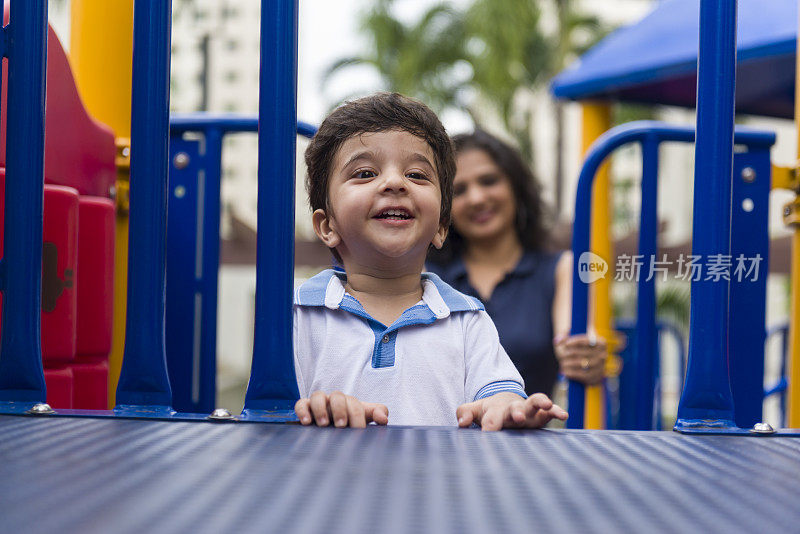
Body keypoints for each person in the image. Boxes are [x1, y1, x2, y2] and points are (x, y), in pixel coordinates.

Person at [293, 93, 568, 430]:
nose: (395, 182)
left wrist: (508, 407)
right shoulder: (296, 315)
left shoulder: (467, 319)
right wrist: (318, 410)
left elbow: (498, 394)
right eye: (365, 173)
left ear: (440, 227)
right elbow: (273, 419)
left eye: (417, 175)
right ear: (327, 226)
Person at [426, 130, 607, 399]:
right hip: (441, 438)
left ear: (516, 187)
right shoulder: (424, 274)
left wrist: (584, 353)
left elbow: (574, 337)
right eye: (459, 190)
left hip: (525, 435)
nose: (476, 198)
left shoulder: (561, 269)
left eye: (489, 181)